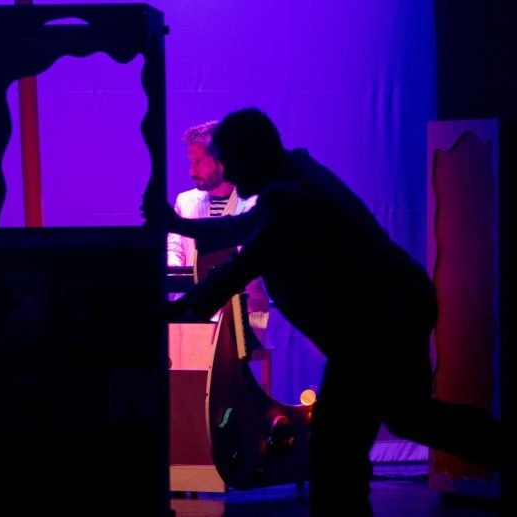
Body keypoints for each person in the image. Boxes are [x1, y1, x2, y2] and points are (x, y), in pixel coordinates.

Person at [143, 107, 504, 515]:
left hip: (379, 323)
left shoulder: (293, 198)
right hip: (383, 318)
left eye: (235, 165)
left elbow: (242, 264)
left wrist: (173, 311)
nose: (233, 178)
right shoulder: (291, 179)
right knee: (404, 420)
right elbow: (241, 228)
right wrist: (179, 225)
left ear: (252, 157)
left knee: (338, 451)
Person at [168, 120, 271, 346]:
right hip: (192, 305)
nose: (191, 171)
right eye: (191, 162)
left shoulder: (255, 203)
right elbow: (174, 247)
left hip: (243, 311)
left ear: (222, 161)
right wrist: (177, 275)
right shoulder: (185, 200)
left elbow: (244, 260)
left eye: (198, 162)